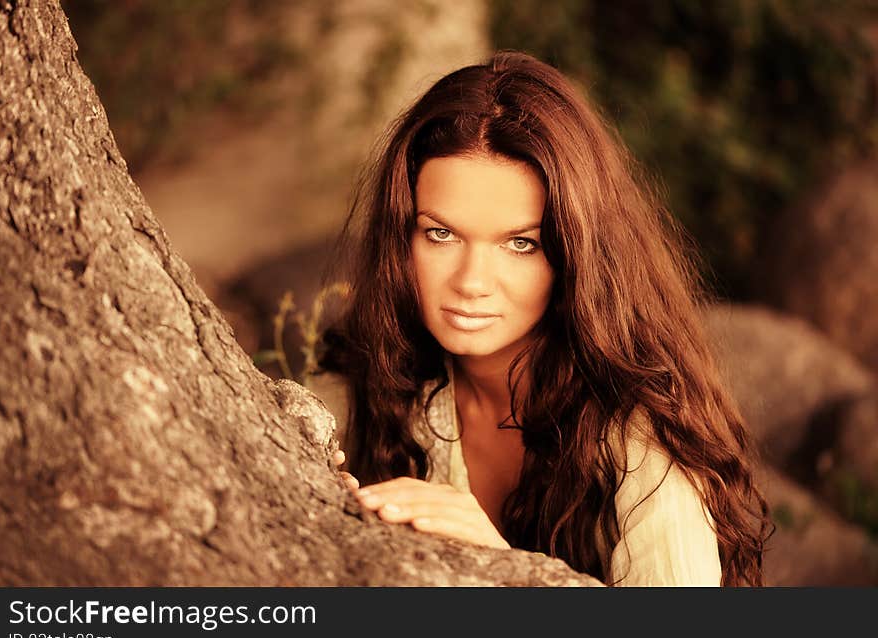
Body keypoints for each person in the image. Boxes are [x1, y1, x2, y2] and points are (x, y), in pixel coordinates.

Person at [306, 50, 771, 586]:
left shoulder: (639, 441)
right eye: (441, 233)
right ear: (401, 235)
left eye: (520, 244)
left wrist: (505, 572)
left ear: (575, 253)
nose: (471, 282)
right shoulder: (367, 380)